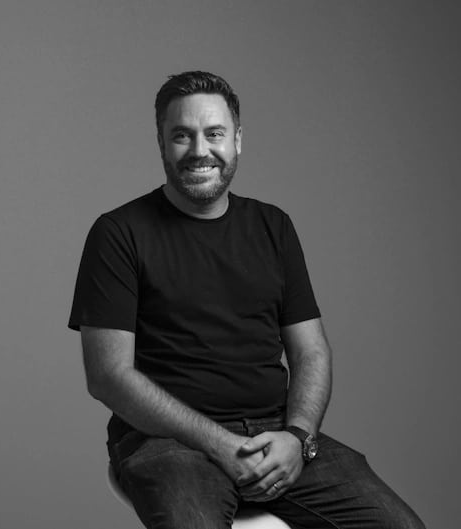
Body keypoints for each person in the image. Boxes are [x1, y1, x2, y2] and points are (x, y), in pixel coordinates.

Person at [68, 71, 425, 529]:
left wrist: (298, 437)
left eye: (214, 133)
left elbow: (311, 351)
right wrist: (220, 444)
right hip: (166, 442)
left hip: (276, 434)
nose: (200, 150)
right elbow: (108, 377)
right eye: (182, 135)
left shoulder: (273, 226)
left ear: (237, 139)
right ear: (161, 143)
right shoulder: (118, 233)